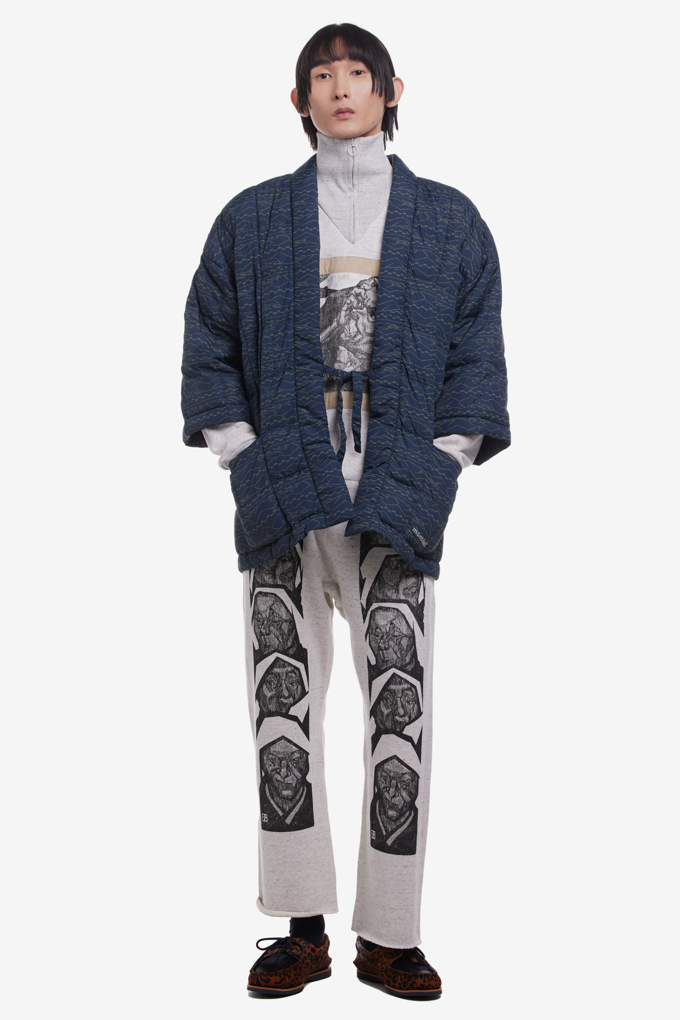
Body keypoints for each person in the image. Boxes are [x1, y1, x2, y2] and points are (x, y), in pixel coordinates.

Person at [181, 22, 510, 1001]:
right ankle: (300, 929)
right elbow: (208, 344)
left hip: (395, 494)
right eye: (320, 76)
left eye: (356, 73)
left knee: (400, 709)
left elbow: (476, 355)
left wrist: (440, 461)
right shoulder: (250, 219)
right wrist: (244, 455)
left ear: (390, 88)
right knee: (280, 707)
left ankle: (390, 935)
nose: (339, 89)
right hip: (284, 492)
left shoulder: (448, 221)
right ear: (298, 101)